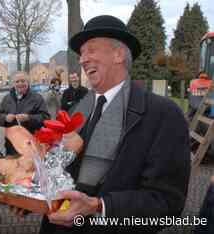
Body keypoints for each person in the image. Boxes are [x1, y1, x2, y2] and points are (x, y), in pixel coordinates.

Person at [40, 15, 191, 234]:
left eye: (91, 50)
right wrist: (31, 198)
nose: (82, 60)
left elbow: (166, 203)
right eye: (81, 53)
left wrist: (98, 206)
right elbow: (63, 171)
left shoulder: (164, 115)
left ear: (119, 54)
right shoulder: (78, 110)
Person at [0, 71, 50, 155]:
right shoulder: (7, 98)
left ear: (28, 82)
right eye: (17, 81)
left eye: (23, 81)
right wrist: (5, 118)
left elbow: (46, 118)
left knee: (31, 166)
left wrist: (28, 118)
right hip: (12, 144)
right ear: (13, 84)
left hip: (32, 142)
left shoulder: (37, 98)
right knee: (14, 167)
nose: (20, 84)